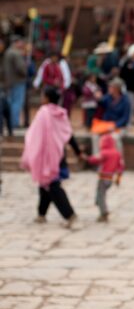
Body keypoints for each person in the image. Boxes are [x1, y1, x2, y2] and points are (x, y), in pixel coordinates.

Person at [21, 87, 83, 228]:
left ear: (47, 98)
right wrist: (78, 152)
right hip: (59, 154)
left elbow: (33, 134)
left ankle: (69, 214)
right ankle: (41, 214)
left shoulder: (44, 113)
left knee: (53, 186)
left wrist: (31, 150)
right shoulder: (61, 113)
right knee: (45, 185)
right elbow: (69, 135)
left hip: (47, 155)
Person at [84, 133, 124, 222]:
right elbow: (121, 167)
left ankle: (103, 212)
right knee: (102, 194)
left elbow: (94, 160)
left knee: (101, 196)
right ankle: (98, 203)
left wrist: (87, 158)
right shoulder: (117, 153)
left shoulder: (104, 153)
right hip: (110, 179)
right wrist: (118, 178)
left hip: (103, 178)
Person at [97, 77, 130, 153]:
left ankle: (119, 162)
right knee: (96, 136)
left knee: (114, 137)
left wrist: (114, 125)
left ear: (117, 88)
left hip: (120, 127)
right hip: (107, 125)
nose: (109, 88)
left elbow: (125, 118)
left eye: (111, 86)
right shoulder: (108, 97)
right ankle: (99, 160)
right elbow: (101, 103)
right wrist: (98, 98)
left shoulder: (125, 100)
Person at [4, 36, 28, 128]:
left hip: (9, 81)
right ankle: (14, 123)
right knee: (17, 103)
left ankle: (9, 122)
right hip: (18, 81)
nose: (22, 44)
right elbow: (21, 68)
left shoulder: (7, 52)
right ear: (16, 42)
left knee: (11, 102)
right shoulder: (16, 53)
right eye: (20, 42)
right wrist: (26, 69)